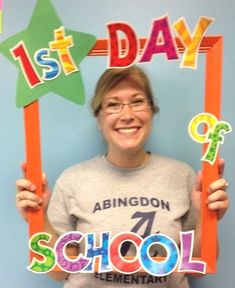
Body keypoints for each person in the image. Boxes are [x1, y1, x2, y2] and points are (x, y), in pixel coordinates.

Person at [16, 66, 229, 288]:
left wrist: (207, 216)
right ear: (99, 120)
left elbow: (201, 264)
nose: (127, 115)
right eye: (113, 105)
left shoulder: (183, 176)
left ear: (151, 111)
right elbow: (58, 273)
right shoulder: (72, 180)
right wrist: (38, 217)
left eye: (137, 101)